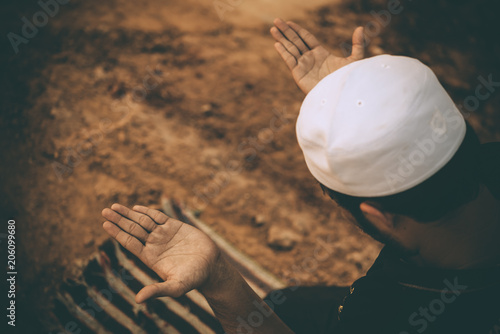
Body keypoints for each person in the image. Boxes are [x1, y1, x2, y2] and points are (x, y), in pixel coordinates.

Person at [101, 18, 500, 333]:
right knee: (289, 305)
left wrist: (220, 281)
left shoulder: (380, 316)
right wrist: (357, 98)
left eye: (338, 204)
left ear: (379, 217)